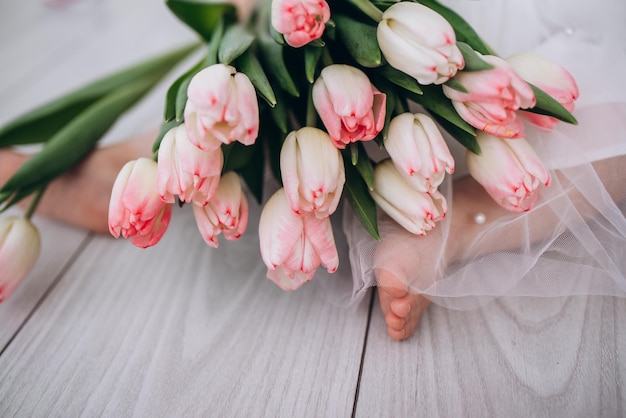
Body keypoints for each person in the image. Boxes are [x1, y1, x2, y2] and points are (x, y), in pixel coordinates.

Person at [2, 0, 626, 342]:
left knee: (608, 118)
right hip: (383, 55)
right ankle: (152, 165)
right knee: (270, 81)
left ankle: (455, 218)